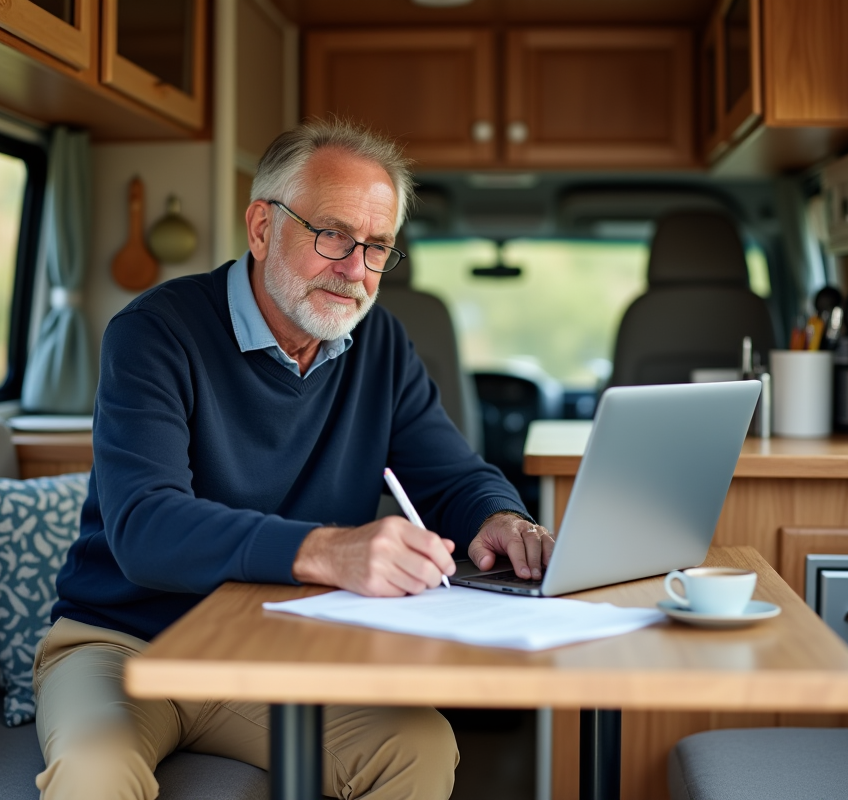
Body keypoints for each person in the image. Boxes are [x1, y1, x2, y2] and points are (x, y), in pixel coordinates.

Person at [32, 119, 555, 800]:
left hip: (279, 652)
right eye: (333, 235)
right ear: (260, 228)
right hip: (123, 645)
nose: (354, 270)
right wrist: (327, 550)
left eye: (376, 248)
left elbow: (452, 473)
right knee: (94, 772)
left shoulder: (383, 347)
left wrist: (500, 515)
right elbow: (145, 528)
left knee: (418, 746)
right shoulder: (153, 333)